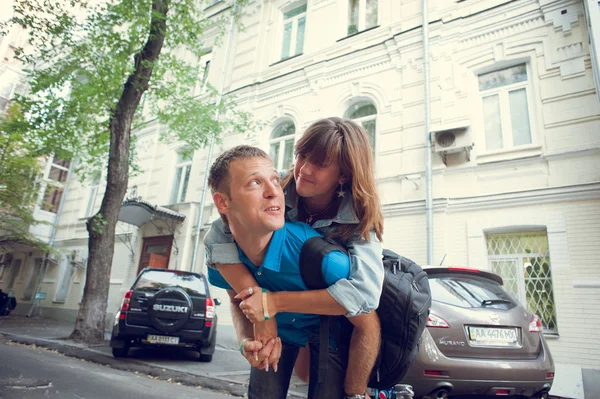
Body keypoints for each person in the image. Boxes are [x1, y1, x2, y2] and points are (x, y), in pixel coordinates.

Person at [205, 117, 385, 399]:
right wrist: (260, 306)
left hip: (331, 320)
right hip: (286, 320)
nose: (304, 169)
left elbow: (364, 295)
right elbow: (221, 232)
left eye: (320, 164)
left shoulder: (358, 220)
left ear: (344, 175)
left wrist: (272, 303)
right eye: (302, 155)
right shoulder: (276, 189)